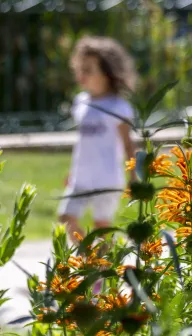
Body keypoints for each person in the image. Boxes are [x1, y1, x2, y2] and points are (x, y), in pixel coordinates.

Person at [59, 36, 138, 242]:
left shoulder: (118, 107)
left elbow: (128, 144)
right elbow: (84, 144)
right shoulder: (81, 102)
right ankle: (91, 261)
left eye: (88, 70)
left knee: (101, 229)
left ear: (107, 73)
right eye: (79, 68)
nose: (81, 74)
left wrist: (133, 176)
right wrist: (72, 171)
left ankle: (103, 270)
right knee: (66, 218)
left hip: (107, 179)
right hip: (81, 178)